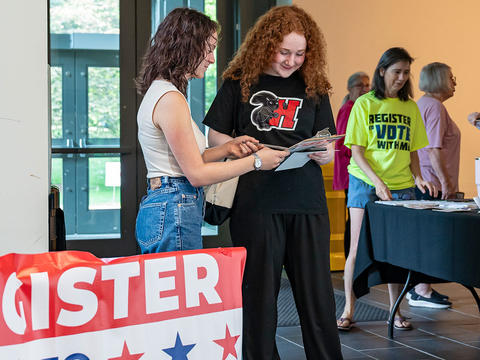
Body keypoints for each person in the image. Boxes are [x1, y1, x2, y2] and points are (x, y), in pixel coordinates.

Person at [203, 5, 342, 360]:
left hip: (307, 202)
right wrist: (239, 146)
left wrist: (325, 153)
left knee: (317, 299)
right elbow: (215, 137)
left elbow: (324, 138)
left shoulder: (312, 86)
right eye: (284, 52)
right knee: (259, 298)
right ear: (266, 45)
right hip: (256, 203)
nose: (292, 61)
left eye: (299, 53)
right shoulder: (239, 83)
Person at [135, 8, 288, 254]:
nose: (212, 59)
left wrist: (227, 148)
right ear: (186, 46)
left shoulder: (163, 91)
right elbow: (196, 174)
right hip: (175, 204)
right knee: (180, 291)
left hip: (169, 203)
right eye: (209, 49)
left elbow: (187, 161)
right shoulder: (170, 98)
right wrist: (257, 161)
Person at [338, 47, 436, 332]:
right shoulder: (365, 104)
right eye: (396, 72)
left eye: (406, 73)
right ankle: (348, 309)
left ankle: (394, 311)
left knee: (395, 252)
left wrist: (418, 178)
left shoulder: (410, 107)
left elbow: (413, 151)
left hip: (402, 185)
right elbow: (356, 152)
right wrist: (377, 182)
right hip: (365, 182)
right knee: (356, 246)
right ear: (382, 71)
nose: (402, 78)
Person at [406, 63, 461, 308]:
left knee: (424, 236)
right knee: (433, 238)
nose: (455, 81)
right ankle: (421, 290)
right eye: (451, 77)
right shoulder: (435, 107)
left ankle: (419, 288)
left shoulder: (422, 104)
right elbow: (433, 149)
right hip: (434, 184)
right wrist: (447, 183)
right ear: (439, 79)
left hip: (423, 180)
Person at [333, 72, 370, 258]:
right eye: (360, 85)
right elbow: (343, 142)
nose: (365, 89)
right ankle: (352, 259)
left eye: (367, 85)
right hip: (351, 172)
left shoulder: (362, 108)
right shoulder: (349, 108)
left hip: (360, 171)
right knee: (354, 220)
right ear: (350, 88)